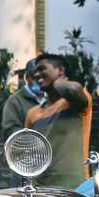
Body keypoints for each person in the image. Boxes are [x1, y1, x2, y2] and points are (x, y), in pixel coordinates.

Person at [25, 53, 92, 188]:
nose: (37, 74)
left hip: (75, 187)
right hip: (41, 188)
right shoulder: (33, 114)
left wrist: (58, 82)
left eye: (42, 69)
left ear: (61, 70)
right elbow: (27, 153)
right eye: (35, 71)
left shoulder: (75, 101)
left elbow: (73, 89)